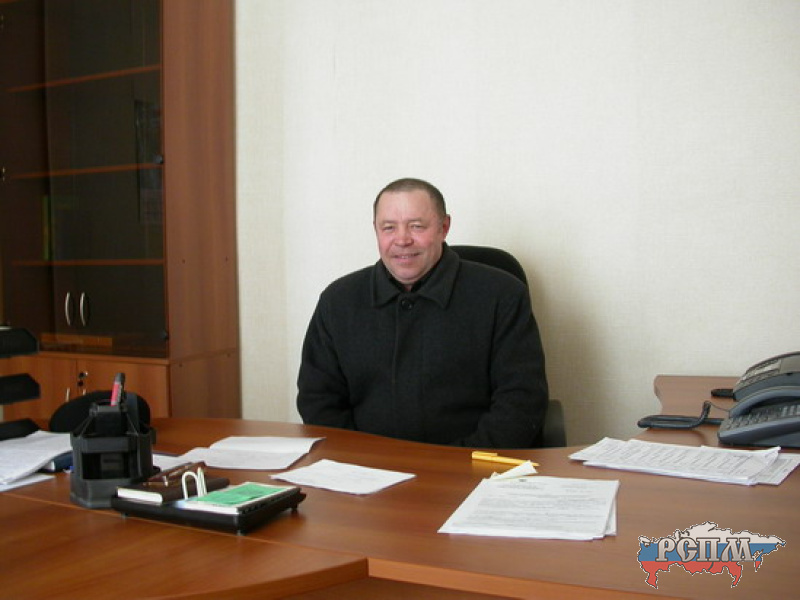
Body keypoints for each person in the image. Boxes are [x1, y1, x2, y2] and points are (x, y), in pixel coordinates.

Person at [297, 178, 548, 448]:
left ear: (444, 228)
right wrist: (362, 459)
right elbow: (318, 401)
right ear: (376, 230)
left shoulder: (503, 294)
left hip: (472, 465)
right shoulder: (337, 301)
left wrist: (456, 463)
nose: (402, 240)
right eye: (389, 227)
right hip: (363, 466)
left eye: (416, 226)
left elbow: (521, 402)